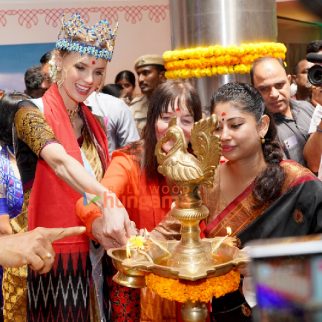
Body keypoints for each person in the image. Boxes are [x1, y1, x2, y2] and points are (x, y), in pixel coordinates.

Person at [3, 13, 132, 322]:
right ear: (59, 60)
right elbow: (60, 163)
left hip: (88, 263)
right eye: (81, 67)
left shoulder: (96, 125)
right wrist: (109, 201)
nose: (89, 79)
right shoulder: (29, 112)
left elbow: (85, 189)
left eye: (98, 71)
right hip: (37, 265)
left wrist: (102, 221)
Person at [76, 79, 202, 321]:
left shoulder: (205, 167)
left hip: (193, 288)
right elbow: (87, 199)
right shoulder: (129, 161)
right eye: (166, 118)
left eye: (186, 121)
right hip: (139, 290)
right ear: (152, 120)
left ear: (197, 126)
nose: (174, 129)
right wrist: (102, 220)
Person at [203, 82, 322, 322]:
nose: (224, 136)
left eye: (235, 125)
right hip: (225, 312)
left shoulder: (298, 184)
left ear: (262, 126)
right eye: (217, 127)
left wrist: (265, 267)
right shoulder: (205, 182)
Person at [250, 56, 314, 165]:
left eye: (279, 85)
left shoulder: (306, 107)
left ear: (289, 81)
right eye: (264, 89)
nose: (274, 94)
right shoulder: (260, 131)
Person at [0, 92, 26, 321]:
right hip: (11, 260)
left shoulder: (40, 156)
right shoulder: (1, 164)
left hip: (42, 254)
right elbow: (2, 225)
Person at [129, 54, 166, 135]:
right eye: (138, 74)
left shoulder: (177, 103)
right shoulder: (134, 107)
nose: (140, 79)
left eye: (146, 73)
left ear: (162, 76)